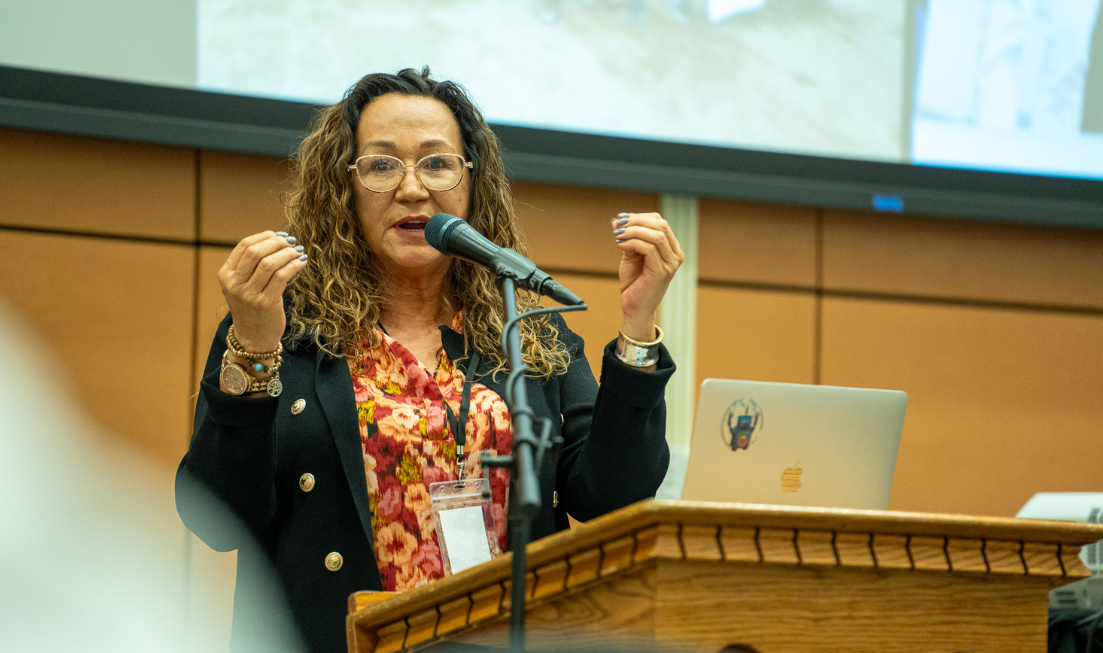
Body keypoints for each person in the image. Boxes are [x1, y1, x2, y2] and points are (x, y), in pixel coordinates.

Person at [176, 67, 684, 653]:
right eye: (382, 164)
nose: (413, 188)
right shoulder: (281, 325)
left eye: (438, 163)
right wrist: (255, 349)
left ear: (473, 184)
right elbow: (217, 518)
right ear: (343, 186)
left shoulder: (524, 331)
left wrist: (638, 326)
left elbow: (614, 495)